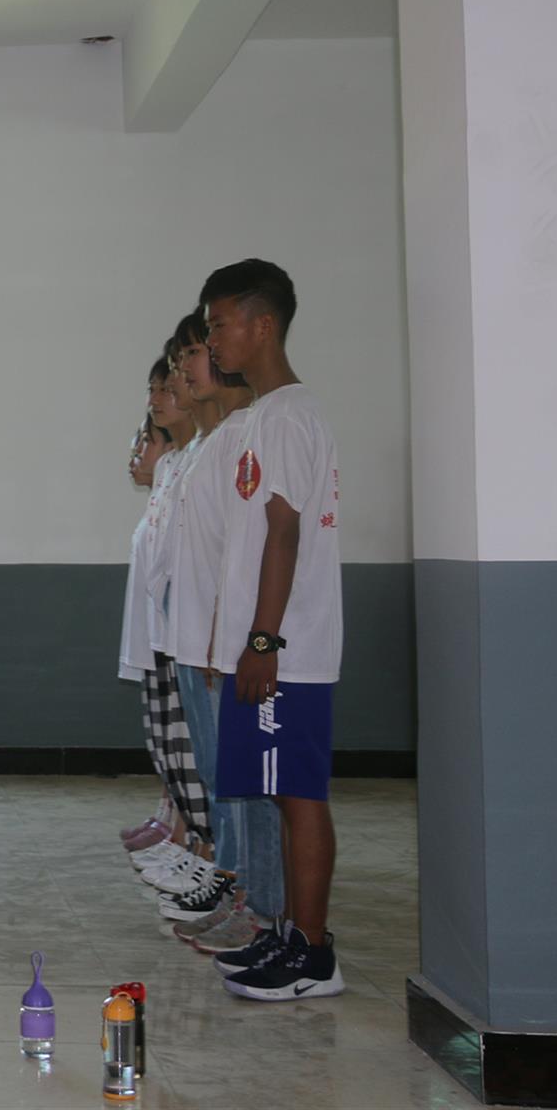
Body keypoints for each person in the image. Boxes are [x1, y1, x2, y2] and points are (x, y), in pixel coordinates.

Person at [200, 260, 346, 1001]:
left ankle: (314, 955)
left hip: (291, 647)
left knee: (299, 795)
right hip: (270, 643)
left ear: (263, 324)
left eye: (221, 322)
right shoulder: (261, 416)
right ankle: (293, 933)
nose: (213, 337)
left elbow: (283, 534)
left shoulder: (289, 414)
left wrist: (264, 642)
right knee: (284, 791)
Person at [161, 309, 286, 957]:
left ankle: (263, 908)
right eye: (185, 354)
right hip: (197, 640)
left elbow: (251, 548)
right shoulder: (207, 446)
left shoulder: (248, 434)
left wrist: (236, 638)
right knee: (220, 777)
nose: (187, 367)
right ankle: (238, 894)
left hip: (228, 642)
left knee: (246, 784)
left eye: (197, 351)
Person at [119, 355, 207, 856]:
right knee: (170, 746)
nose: (157, 399)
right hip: (163, 639)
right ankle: (182, 833)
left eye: (166, 387)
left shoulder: (196, 460)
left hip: (187, 640)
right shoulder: (176, 470)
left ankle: (205, 853)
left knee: (192, 751)